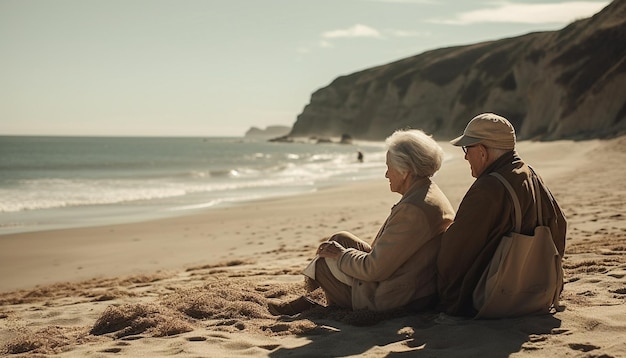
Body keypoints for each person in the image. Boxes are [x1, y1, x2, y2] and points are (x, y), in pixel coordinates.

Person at [268, 129, 455, 315]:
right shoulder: (427, 193)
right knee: (340, 239)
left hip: (397, 297)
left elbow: (374, 270)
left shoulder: (413, 210)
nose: (386, 174)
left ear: (404, 171)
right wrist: (343, 251)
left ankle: (329, 306)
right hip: (408, 278)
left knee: (324, 264)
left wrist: (341, 256)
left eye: (388, 167)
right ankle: (324, 300)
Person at [437, 113, 567, 317]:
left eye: (466, 149)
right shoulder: (530, 174)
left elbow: (454, 251)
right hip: (538, 292)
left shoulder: (488, 188)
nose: (465, 156)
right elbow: (559, 225)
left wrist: (447, 298)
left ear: (481, 152)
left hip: (494, 297)